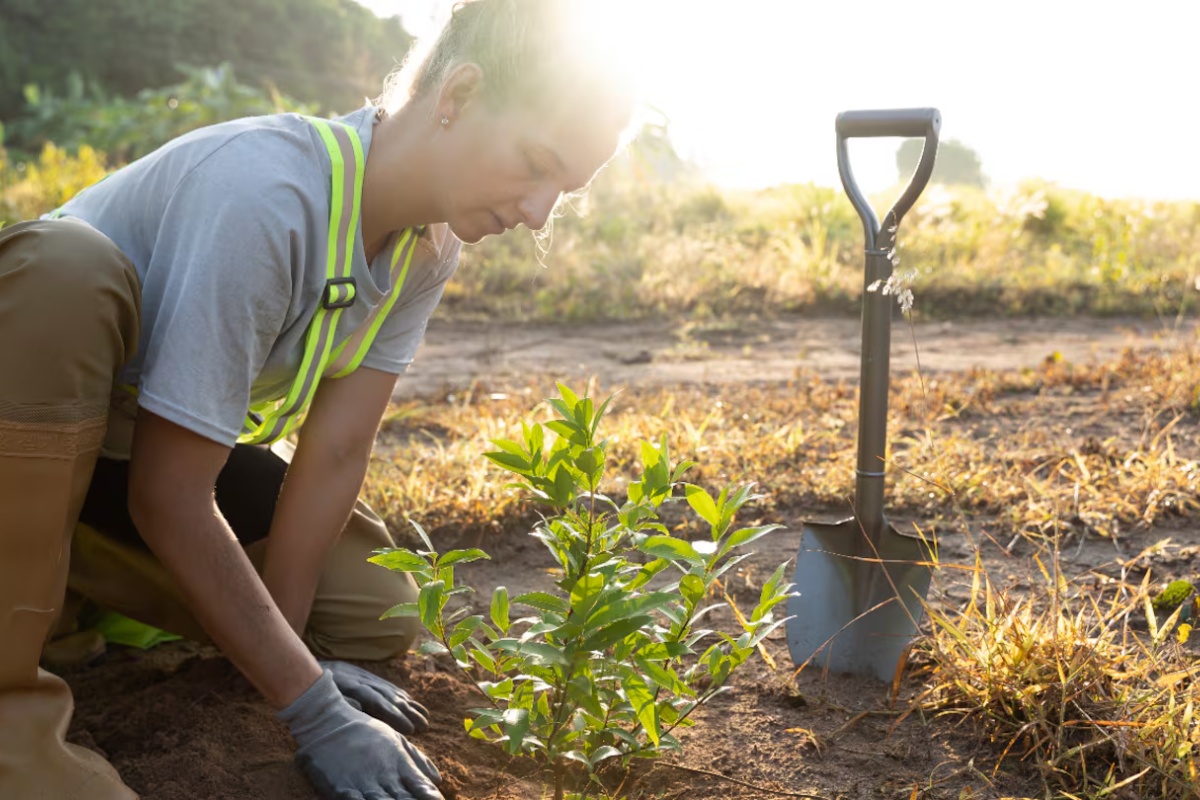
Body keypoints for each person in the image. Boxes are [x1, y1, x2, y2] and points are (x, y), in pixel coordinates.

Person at [0, 0, 635, 797]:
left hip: (115, 467)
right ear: (460, 95)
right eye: (537, 163)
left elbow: (335, 452)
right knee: (67, 267)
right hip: (26, 445)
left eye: (565, 190)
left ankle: (72, 596)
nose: (539, 212)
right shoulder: (267, 192)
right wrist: (314, 710)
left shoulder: (426, 248)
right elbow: (168, 494)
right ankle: (13, 727)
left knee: (370, 606)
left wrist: (295, 660)